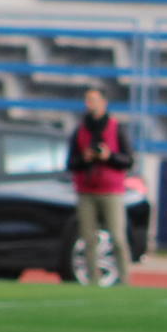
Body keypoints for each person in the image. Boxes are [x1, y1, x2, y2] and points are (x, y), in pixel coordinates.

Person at [66, 87, 134, 286]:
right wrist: (85, 158)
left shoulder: (116, 127)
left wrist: (109, 156)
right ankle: (93, 281)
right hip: (86, 190)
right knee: (88, 239)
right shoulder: (80, 130)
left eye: (94, 100)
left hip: (111, 190)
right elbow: (71, 163)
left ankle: (125, 280)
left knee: (118, 238)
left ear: (104, 102)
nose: (91, 104)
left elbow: (128, 160)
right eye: (88, 100)